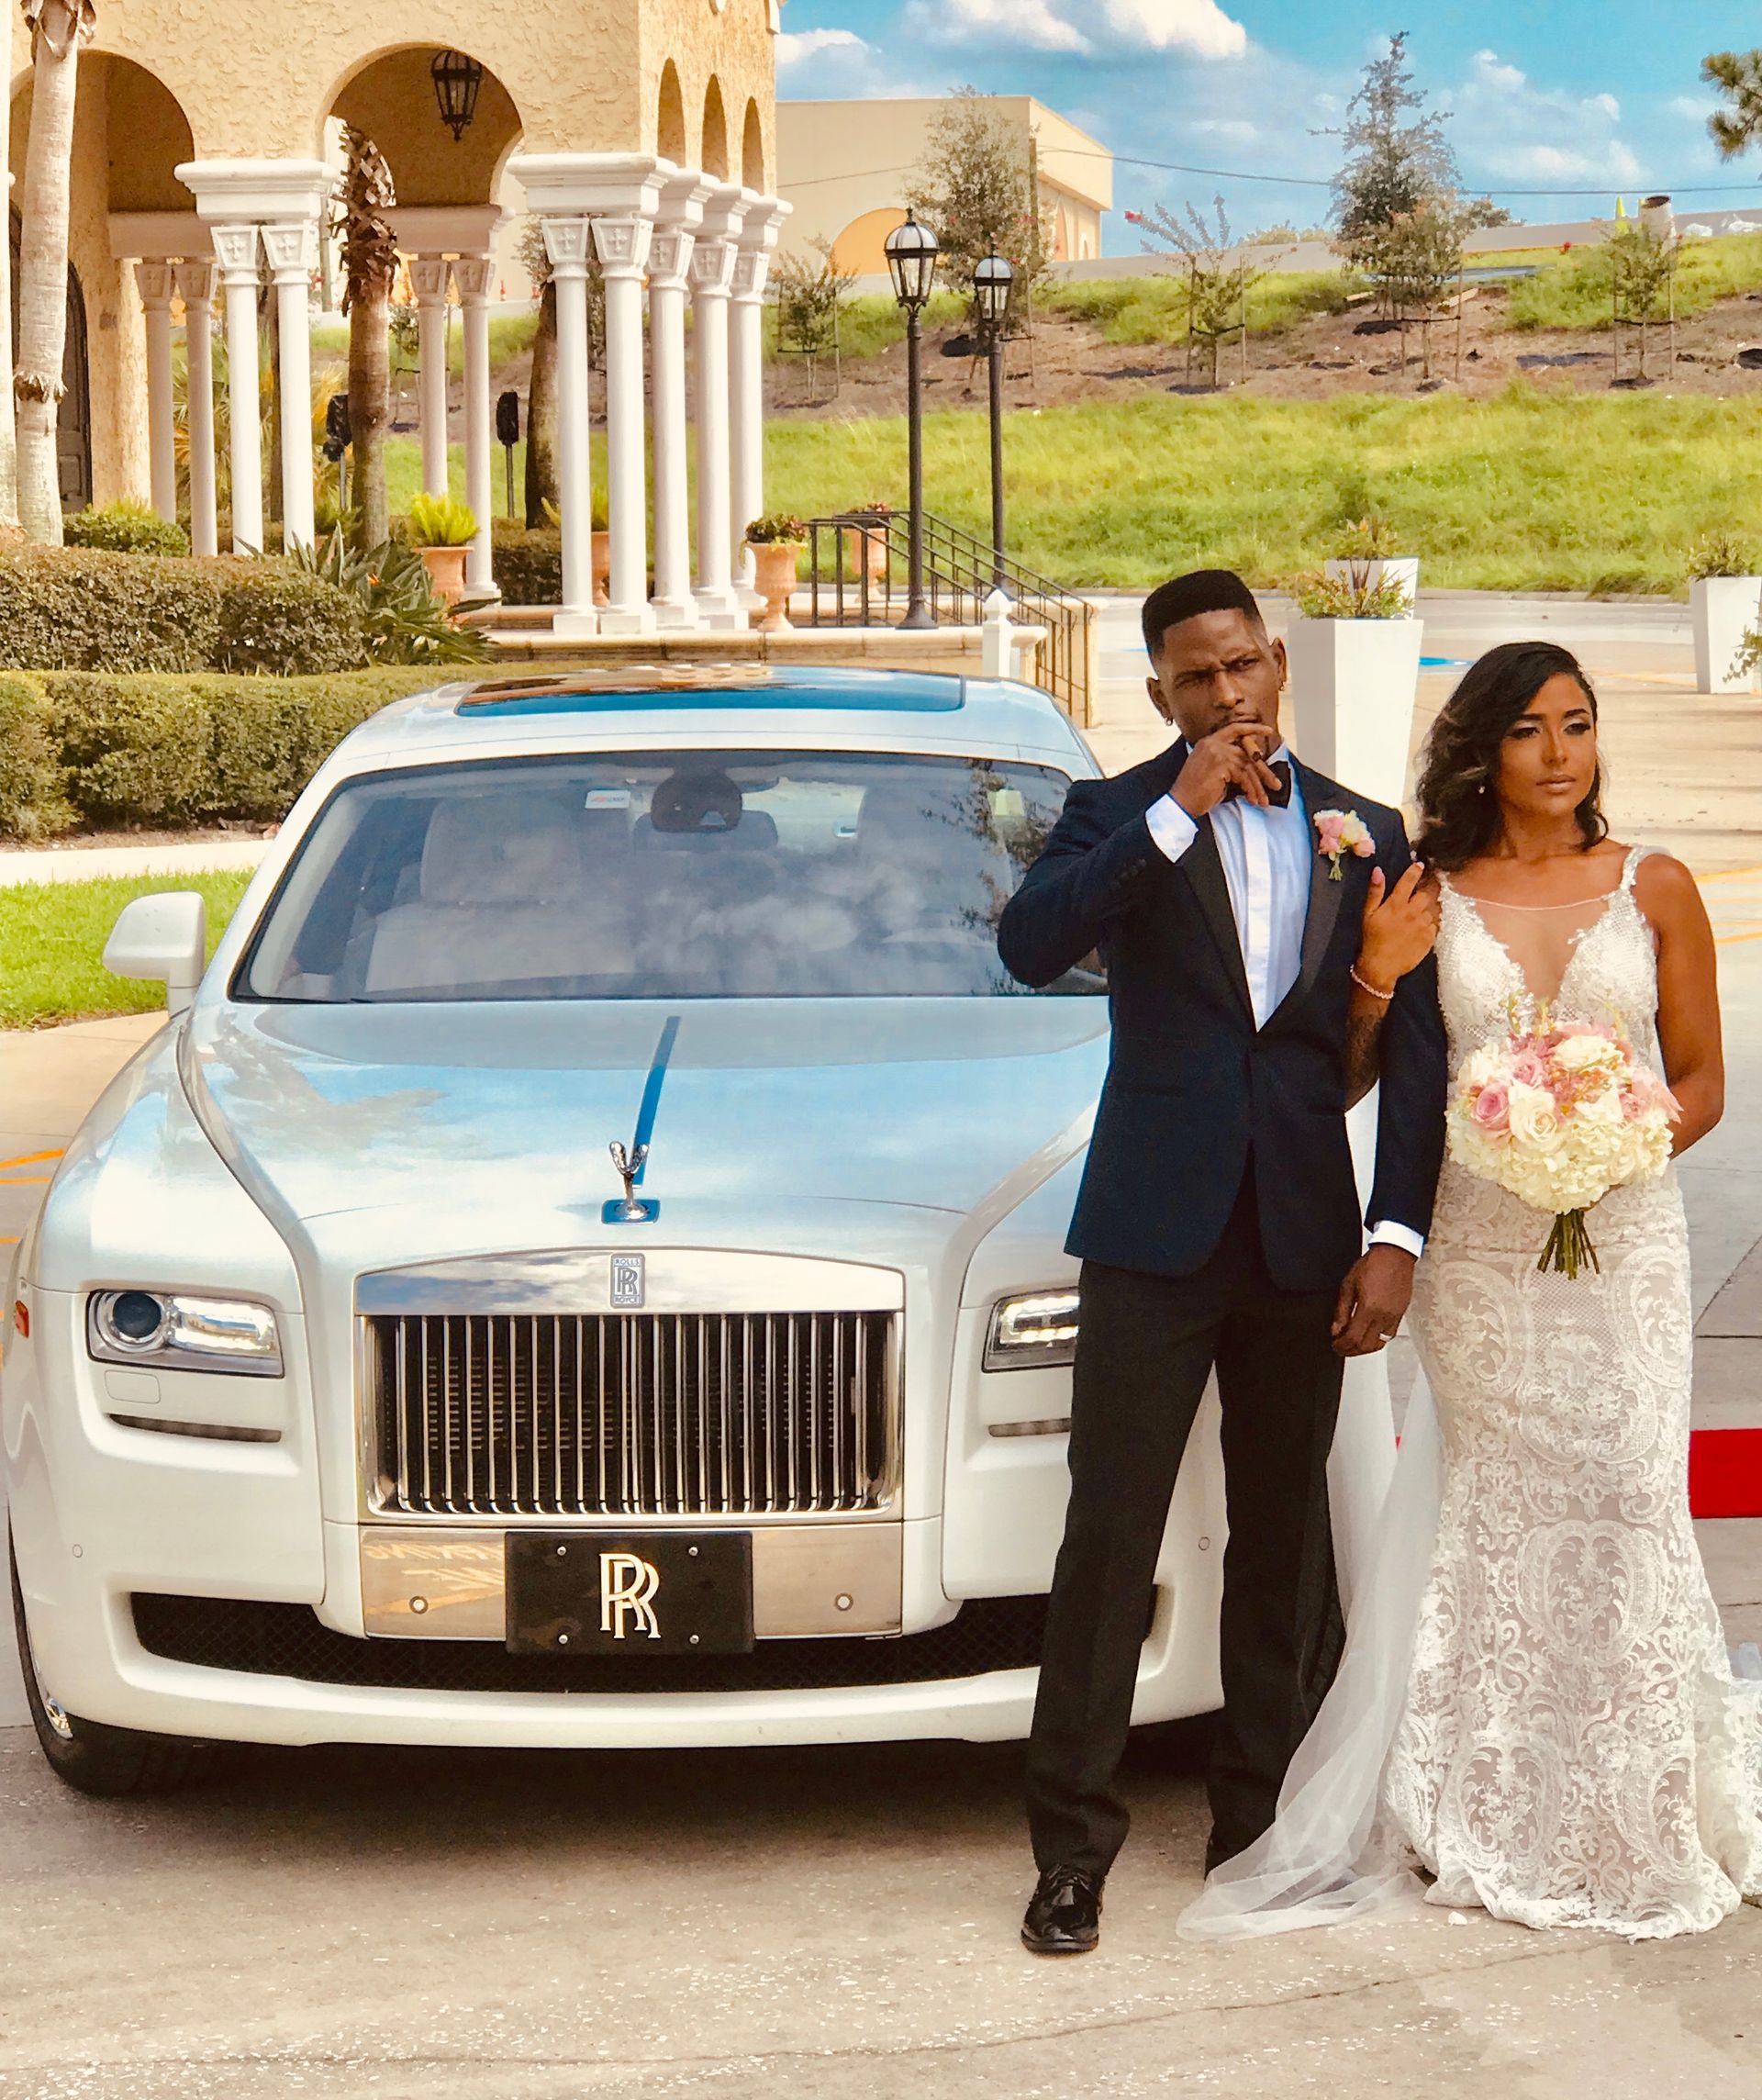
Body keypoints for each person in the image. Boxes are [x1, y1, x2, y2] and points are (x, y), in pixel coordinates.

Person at [1184, 640, 1762, 1944]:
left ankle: (1638, 1799)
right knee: (1499, 1514)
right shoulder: (1426, 892)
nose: (1560, 755)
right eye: (1530, 732)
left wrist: (1611, 1144)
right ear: (1484, 751)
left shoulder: (1656, 885)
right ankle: (1488, 1798)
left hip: (1628, 1243)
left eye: (1579, 726)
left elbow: (1705, 1078)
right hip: (1483, 1258)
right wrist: (1378, 973)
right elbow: (1351, 1078)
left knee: (1625, 1493)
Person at [997, 568, 1448, 1956]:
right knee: (1108, 1538)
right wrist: (1175, 812)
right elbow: (1030, 945)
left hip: (1304, 1235)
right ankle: (1072, 1849)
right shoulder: (1111, 816)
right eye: (1200, 677)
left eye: (1247, 665)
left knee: (1280, 1548)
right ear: (1160, 694)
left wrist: (1395, 1234)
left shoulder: (1365, 832)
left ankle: (1258, 1828)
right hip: (1151, 1234)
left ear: (1280, 667)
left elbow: (1413, 1058)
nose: (1232, 693)